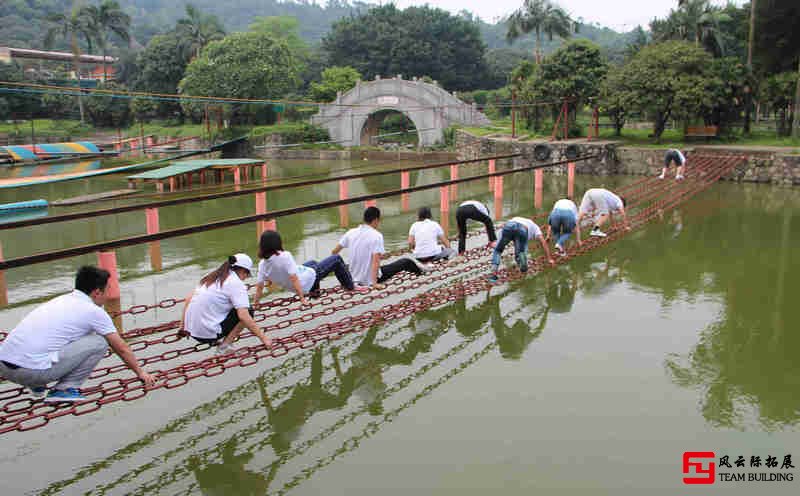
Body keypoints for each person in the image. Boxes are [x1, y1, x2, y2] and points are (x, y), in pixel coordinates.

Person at [0, 266, 156, 402]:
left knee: (57, 339)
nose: (109, 294)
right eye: (107, 289)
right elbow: (121, 347)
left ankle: (37, 386)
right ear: (96, 292)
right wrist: (141, 372)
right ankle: (65, 389)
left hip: (5, 367)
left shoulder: (61, 300)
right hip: (32, 373)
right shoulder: (94, 312)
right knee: (100, 342)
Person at [181, 254, 272, 355]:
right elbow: (244, 316)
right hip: (207, 335)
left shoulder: (211, 276)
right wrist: (264, 339)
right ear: (242, 270)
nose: (246, 278)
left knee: (234, 305)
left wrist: (182, 327)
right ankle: (225, 346)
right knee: (248, 311)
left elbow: (189, 299)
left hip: (191, 331)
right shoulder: (236, 283)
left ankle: (214, 331)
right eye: (247, 274)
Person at [254, 230, 368, 305]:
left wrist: (256, 303)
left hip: (296, 283)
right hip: (305, 281)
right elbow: (294, 278)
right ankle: (350, 286)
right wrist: (302, 298)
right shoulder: (285, 256)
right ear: (277, 243)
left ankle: (316, 293)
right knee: (336, 258)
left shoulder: (262, 264)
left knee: (312, 262)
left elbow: (259, 287)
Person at [332, 206, 430, 288]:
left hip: (352, 277)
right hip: (369, 279)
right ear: (375, 220)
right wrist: (374, 283)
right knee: (406, 262)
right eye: (379, 221)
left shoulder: (350, 232)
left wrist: (344, 268)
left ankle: (422, 269)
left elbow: (334, 252)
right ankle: (422, 274)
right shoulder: (376, 235)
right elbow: (375, 261)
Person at [489, 216, 553, 282]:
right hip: (522, 229)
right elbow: (543, 242)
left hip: (509, 226)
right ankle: (523, 266)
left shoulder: (519, 219)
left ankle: (493, 275)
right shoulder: (536, 228)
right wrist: (549, 259)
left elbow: (501, 233)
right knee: (521, 252)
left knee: (498, 251)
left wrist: (497, 245)